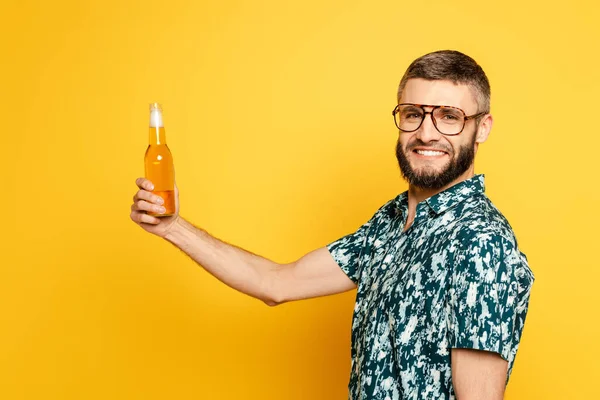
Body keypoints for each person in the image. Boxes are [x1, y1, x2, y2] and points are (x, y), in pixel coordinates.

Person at [130, 50, 534, 399]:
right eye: (414, 114)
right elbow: (277, 283)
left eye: (450, 116)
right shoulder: (392, 223)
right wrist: (172, 227)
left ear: (481, 127)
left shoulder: (480, 243)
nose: (426, 132)